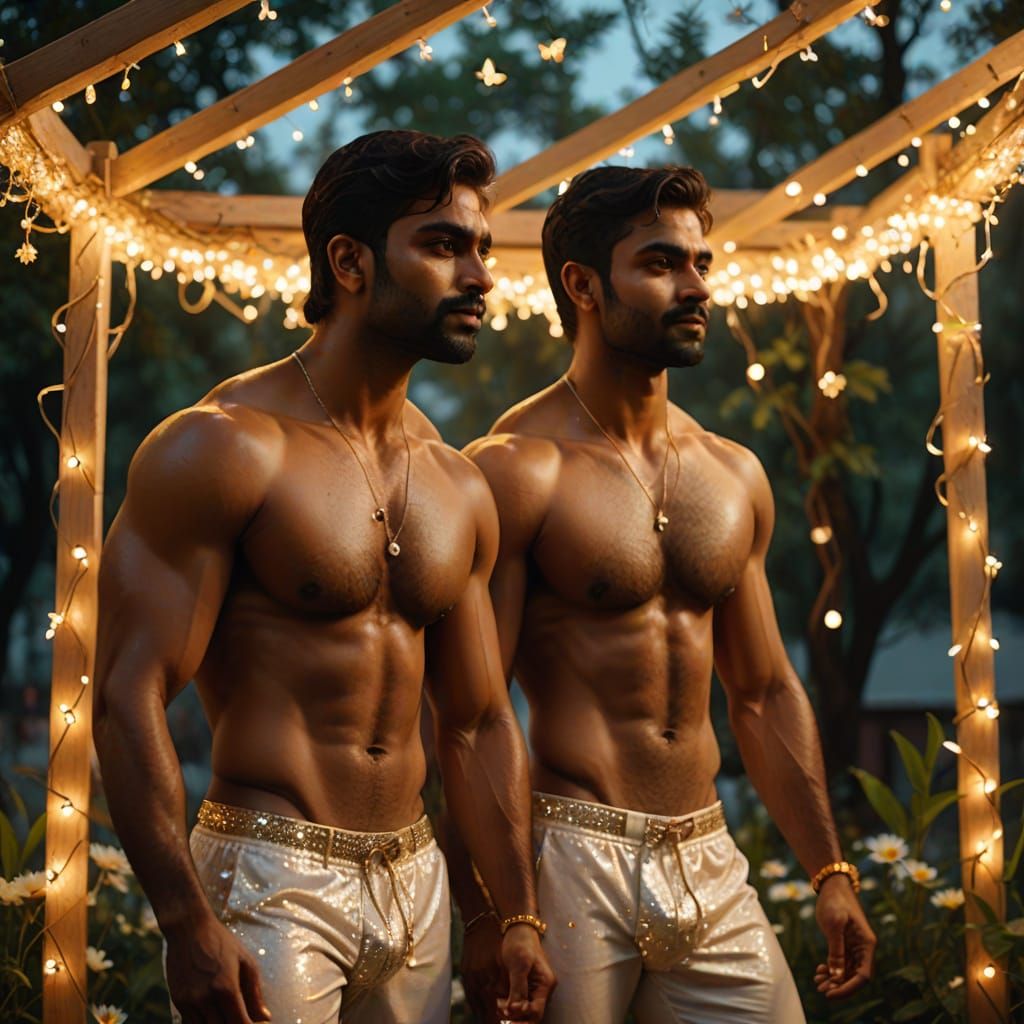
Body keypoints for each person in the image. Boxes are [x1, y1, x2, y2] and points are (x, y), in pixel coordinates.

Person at [94, 130, 555, 1024]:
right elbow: (125, 691)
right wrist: (186, 918)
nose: (480, 277)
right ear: (349, 261)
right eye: (442, 244)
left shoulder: (459, 483)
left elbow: (478, 720)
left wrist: (505, 912)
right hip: (270, 871)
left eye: (482, 249)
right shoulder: (223, 445)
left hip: (415, 881)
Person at [451, 165, 876, 1023]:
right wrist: (494, 912)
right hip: (571, 853)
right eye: (662, 264)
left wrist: (830, 873)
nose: (696, 288)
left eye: (701, 264)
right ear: (584, 285)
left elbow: (762, 692)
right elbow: (469, 715)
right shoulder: (514, 469)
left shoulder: (731, 474)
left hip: (709, 851)